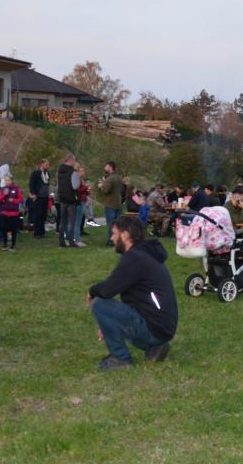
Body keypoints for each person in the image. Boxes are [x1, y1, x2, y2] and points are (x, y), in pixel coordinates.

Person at [87, 215, 178, 370]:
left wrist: (92, 292)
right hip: (162, 327)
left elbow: (107, 289)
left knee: (99, 304)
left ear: (125, 235)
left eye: (114, 234)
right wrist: (109, 323)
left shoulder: (135, 257)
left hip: (155, 327)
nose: (112, 238)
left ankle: (120, 359)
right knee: (108, 310)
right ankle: (156, 347)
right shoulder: (146, 254)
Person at [56, 153, 81, 248]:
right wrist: (78, 178)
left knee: (62, 221)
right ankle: (71, 242)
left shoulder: (59, 172)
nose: (75, 162)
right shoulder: (73, 172)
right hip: (71, 199)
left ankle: (61, 242)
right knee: (71, 221)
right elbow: (75, 186)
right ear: (70, 160)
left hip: (62, 199)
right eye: (74, 160)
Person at [96, 161, 124, 238]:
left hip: (110, 204)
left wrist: (101, 186)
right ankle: (117, 240)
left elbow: (106, 190)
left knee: (111, 225)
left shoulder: (110, 178)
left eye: (106, 166)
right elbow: (121, 190)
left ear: (110, 168)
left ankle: (111, 241)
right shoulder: (119, 177)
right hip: (118, 203)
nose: (104, 168)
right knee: (117, 225)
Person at [0, 173, 23, 251]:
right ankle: (5, 244)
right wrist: (4, 195)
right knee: (4, 229)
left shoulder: (16, 189)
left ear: (12, 180)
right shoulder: (2, 189)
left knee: (13, 229)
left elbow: (20, 199)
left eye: (8, 180)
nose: (7, 182)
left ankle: (12, 245)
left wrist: (14, 200)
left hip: (14, 213)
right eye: (6, 180)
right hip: (5, 212)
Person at [27, 159, 50, 238]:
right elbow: (31, 184)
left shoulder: (47, 174)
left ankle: (42, 232)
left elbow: (47, 184)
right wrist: (33, 194)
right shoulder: (35, 173)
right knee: (38, 215)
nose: (48, 166)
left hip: (45, 197)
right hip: (38, 197)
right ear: (42, 164)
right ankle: (37, 233)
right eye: (46, 164)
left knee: (43, 215)